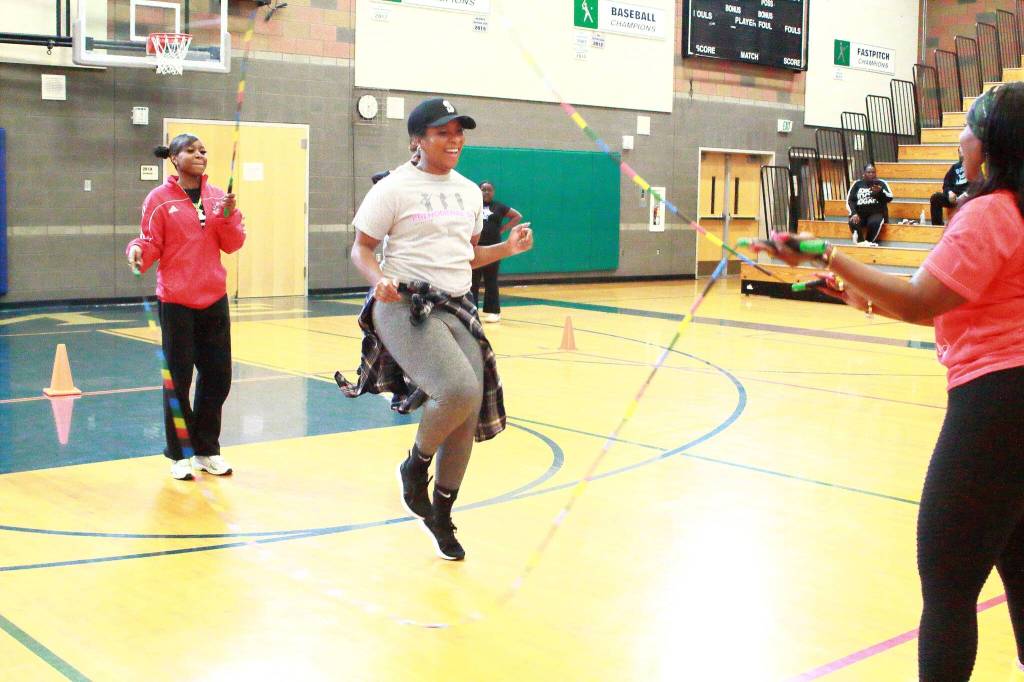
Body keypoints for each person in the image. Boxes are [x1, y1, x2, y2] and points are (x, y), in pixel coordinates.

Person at [764, 82, 1024, 681]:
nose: (960, 138)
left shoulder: (990, 211)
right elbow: (949, 298)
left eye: (968, 128)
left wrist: (825, 254)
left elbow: (920, 301)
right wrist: (862, 297)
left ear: (989, 143)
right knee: (1019, 555)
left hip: (996, 405)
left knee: (948, 579)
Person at [338, 97, 534, 561]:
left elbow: (467, 256)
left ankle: (442, 514)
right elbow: (361, 250)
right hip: (405, 303)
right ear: (418, 140)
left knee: (465, 412)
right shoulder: (393, 188)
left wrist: (507, 248)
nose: (455, 140)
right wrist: (378, 279)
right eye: (443, 132)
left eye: (459, 132)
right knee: (458, 389)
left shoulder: (468, 191)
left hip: (456, 303)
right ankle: (415, 465)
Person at [126, 134, 245, 480]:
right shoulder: (159, 200)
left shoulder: (218, 195)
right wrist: (136, 251)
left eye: (203, 151)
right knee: (178, 380)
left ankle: (207, 449)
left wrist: (228, 215)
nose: (199, 155)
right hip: (176, 301)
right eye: (190, 151)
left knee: (218, 377)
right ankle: (180, 453)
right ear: (174, 159)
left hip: (213, 299)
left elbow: (233, 243)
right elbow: (149, 242)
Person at [471, 181, 522, 323]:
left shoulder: (499, 206)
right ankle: (471, 309)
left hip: (494, 248)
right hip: (475, 248)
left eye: (489, 190)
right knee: (472, 280)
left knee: (491, 279)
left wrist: (504, 228)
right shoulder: (474, 204)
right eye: (483, 189)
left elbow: (517, 216)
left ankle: (493, 312)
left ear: (493, 192)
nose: (486, 192)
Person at [846, 164, 894, 245]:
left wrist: (880, 192)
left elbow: (890, 198)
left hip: (876, 213)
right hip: (860, 213)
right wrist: (854, 213)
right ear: (864, 173)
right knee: (853, 221)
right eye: (868, 172)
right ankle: (861, 242)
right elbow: (850, 200)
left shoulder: (881, 183)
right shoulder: (857, 184)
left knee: (874, 222)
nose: (871, 174)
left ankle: (869, 243)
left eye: (873, 172)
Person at [929, 148, 969, 226]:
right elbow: (946, 185)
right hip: (953, 198)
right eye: (960, 151)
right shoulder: (954, 167)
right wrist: (949, 193)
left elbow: (978, 185)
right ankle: (937, 227)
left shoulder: (974, 166)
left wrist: (966, 195)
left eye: (963, 149)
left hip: (967, 198)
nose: (961, 153)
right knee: (935, 197)